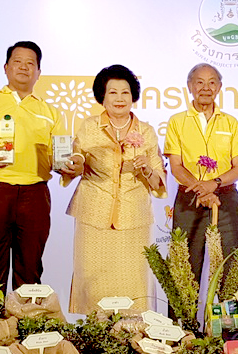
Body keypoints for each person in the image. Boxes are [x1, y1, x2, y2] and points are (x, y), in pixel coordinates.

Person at [0, 41, 83, 291]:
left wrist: (70, 166)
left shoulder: (51, 112)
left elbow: (60, 158)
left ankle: (27, 325)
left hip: (34, 194)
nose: (24, 67)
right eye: (17, 61)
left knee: (31, 267)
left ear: (38, 72)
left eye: (30, 63)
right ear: (6, 67)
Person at [65, 64, 166, 313]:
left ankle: (133, 340)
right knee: (93, 279)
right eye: (112, 92)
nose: (119, 98)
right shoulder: (89, 127)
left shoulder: (147, 132)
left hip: (133, 216)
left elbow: (159, 181)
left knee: (133, 281)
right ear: (102, 96)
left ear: (133, 96)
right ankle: (97, 337)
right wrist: (73, 163)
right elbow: (75, 160)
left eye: (125, 92)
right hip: (93, 214)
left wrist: (147, 170)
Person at [164, 63, 238, 288]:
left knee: (230, 265)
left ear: (219, 87)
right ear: (190, 86)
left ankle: (228, 323)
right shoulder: (177, 122)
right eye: (199, 82)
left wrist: (214, 184)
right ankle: (182, 323)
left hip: (225, 199)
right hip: (189, 199)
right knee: (184, 267)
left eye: (212, 82)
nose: (206, 88)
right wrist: (202, 189)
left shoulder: (231, 123)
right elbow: (176, 166)